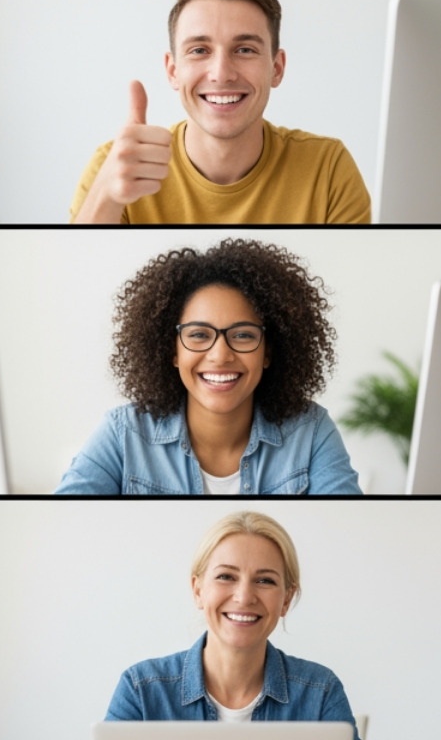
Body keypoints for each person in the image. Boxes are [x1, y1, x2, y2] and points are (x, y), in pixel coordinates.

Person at [56, 238, 362, 494]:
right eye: (199, 335)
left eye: (242, 335)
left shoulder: (311, 433)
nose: (220, 355)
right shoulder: (123, 435)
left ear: (268, 352)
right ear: (172, 351)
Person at [70, 0, 372, 224]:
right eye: (199, 50)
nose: (221, 73)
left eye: (244, 50)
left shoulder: (329, 169)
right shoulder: (118, 166)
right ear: (173, 71)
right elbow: (76, 283)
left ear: (276, 68)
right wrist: (106, 198)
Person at [106, 511, 358, 733]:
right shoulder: (140, 691)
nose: (244, 597)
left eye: (265, 581)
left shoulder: (321, 692)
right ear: (198, 591)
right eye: (226, 576)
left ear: (286, 600)